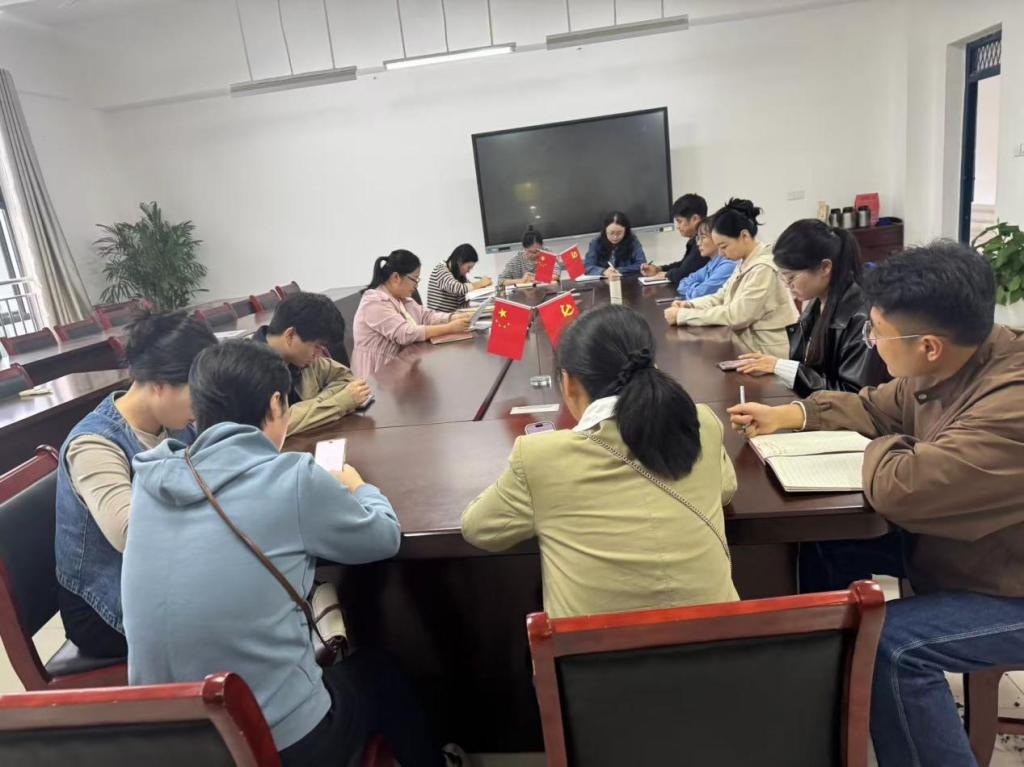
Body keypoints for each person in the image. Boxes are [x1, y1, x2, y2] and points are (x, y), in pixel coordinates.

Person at [726, 242, 1024, 767]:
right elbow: (876, 406)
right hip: (972, 549)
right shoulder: (955, 360)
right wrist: (794, 415)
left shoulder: (1010, 404)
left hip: (1009, 584)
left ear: (928, 346)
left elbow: (903, 487)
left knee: (892, 647)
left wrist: (890, 446)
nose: (871, 343)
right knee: (824, 544)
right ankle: (826, 692)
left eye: (877, 334)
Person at [121, 340, 462, 767]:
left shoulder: (150, 479)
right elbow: (383, 538)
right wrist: (359, 487)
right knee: (379, 672)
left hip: (167, 741)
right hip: (273, 741)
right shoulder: (292, 478)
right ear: (276, 403)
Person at [462, 304, 737, 618]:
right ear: (654, 366)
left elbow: (479, 528)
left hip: (596, 650)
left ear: (568, 383)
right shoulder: (699, 423)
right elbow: (725, 488)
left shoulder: (540, 457)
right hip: (721, 643)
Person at [54, 311, 216, 658]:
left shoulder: (173, 423)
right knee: (243, 611)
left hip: (159, 575)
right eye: (198, 394)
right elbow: (132, 536)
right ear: (159, 384)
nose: (203, 406)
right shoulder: (94, 445)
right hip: (103, 604)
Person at [734, 219, 889, 396]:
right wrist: (777, 367)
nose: (787, 285)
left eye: (791, 278)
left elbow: (853, 396)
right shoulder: (817, 303)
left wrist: (781, 367)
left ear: (825, 267)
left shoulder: (862, 316)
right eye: (783, 278)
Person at [664, 199, 798, 357]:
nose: (721, 254)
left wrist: (683, 316)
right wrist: (690, 305)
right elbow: (721, 296)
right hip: (750, 346)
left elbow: (736, 316)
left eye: (724, 246)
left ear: (744, 236)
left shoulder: (763, 268)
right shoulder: (744, 261)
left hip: (768, 353)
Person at [251, 292, 372, 434]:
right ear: (290, 335)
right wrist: (338, 403)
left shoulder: (301, 358)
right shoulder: (249, 371)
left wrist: (320, 402)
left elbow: (345, 377)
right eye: (316, 346)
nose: (319, 355)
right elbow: (272, 426)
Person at [352, 249, 473, 378]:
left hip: (399, 367)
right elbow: (405, 333)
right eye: (415, 279)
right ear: (396, 277)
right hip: (376, 376)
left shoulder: (401, 299)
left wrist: (454, 317)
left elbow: (427, 316)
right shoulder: (374, 302)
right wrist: (449, 328)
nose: (416, 285)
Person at [641, 193, 711, 287]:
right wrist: (659, 269)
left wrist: (666, 274)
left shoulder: (705, 242)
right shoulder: (696, 239)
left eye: (679, 221)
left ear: (695, 219)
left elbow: (684, 273)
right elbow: (684, 264)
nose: (677, 226)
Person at [675, 219, 737, 300]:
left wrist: (696, 287)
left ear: (716, 238)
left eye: (703, 238)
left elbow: (699, 294)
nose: (698, 243)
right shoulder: (711, 264)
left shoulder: (728, 265)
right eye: (698, 238)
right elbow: (683, 284)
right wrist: (698, 286)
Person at [427, 243, 492, 313]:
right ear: (459, 261)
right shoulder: (441, 270)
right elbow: (458, 288)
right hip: (439, 318)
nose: (469, 271)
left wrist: (482, 293)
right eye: (468, 267)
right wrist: (481, 283)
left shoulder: (458, 275)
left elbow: (461, 304)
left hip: (453, 315)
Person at [584, 211, 647, 277]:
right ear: (605, 230)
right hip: (603, 281)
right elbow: (587, 266)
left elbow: (642, 265)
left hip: (626, 280)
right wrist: (604, 271)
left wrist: (619, 270)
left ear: (625, 231)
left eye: (619, 233)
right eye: (611, 233)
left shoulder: (633, 241)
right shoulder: (596, 243)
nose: (615, 237)